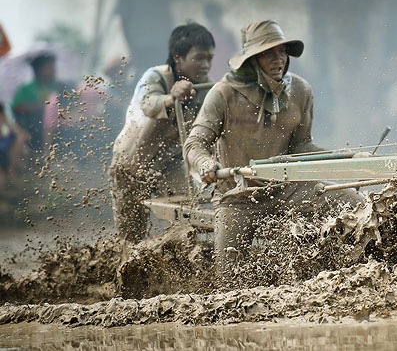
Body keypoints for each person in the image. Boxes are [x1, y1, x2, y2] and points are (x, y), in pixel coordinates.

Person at [183, 19, 363, 281]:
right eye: (268, 53)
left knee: (358, 207)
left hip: (288, 187)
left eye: (282, 52)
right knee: (228, 278)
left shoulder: (300, 91)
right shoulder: (223, 94)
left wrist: (348, 157)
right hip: (238, 195)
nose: (278, 59)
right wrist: (206, 165)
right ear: (252, 59)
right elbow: (194, 144)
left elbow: (302, 146)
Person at [110, 22, 216, 243]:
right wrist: (171, 98)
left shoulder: (206, 88)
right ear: (178, 57)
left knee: (188, 213)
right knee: (131, 235)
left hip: (169, 165)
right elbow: (148, 104)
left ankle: (179, 259)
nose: (205, 65)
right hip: (131, 164)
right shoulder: (155, 77)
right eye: (198, 58)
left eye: (209, 58)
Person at [11, 53, 71, 155]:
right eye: (49, 67)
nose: (53, 70)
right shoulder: (27, 89)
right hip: (34, 128)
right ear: (38, 69)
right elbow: (17, 107)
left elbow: (69, 104)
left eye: (53, 66)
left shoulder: (60, 87)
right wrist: (44, 106)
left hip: (59, 127)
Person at [0, 103, 28, 188]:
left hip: (5, 145)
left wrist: (20, 132)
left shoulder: (3, 116)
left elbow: (19, 132)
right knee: (2, 181)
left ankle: (11, 170)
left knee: (21, 137)